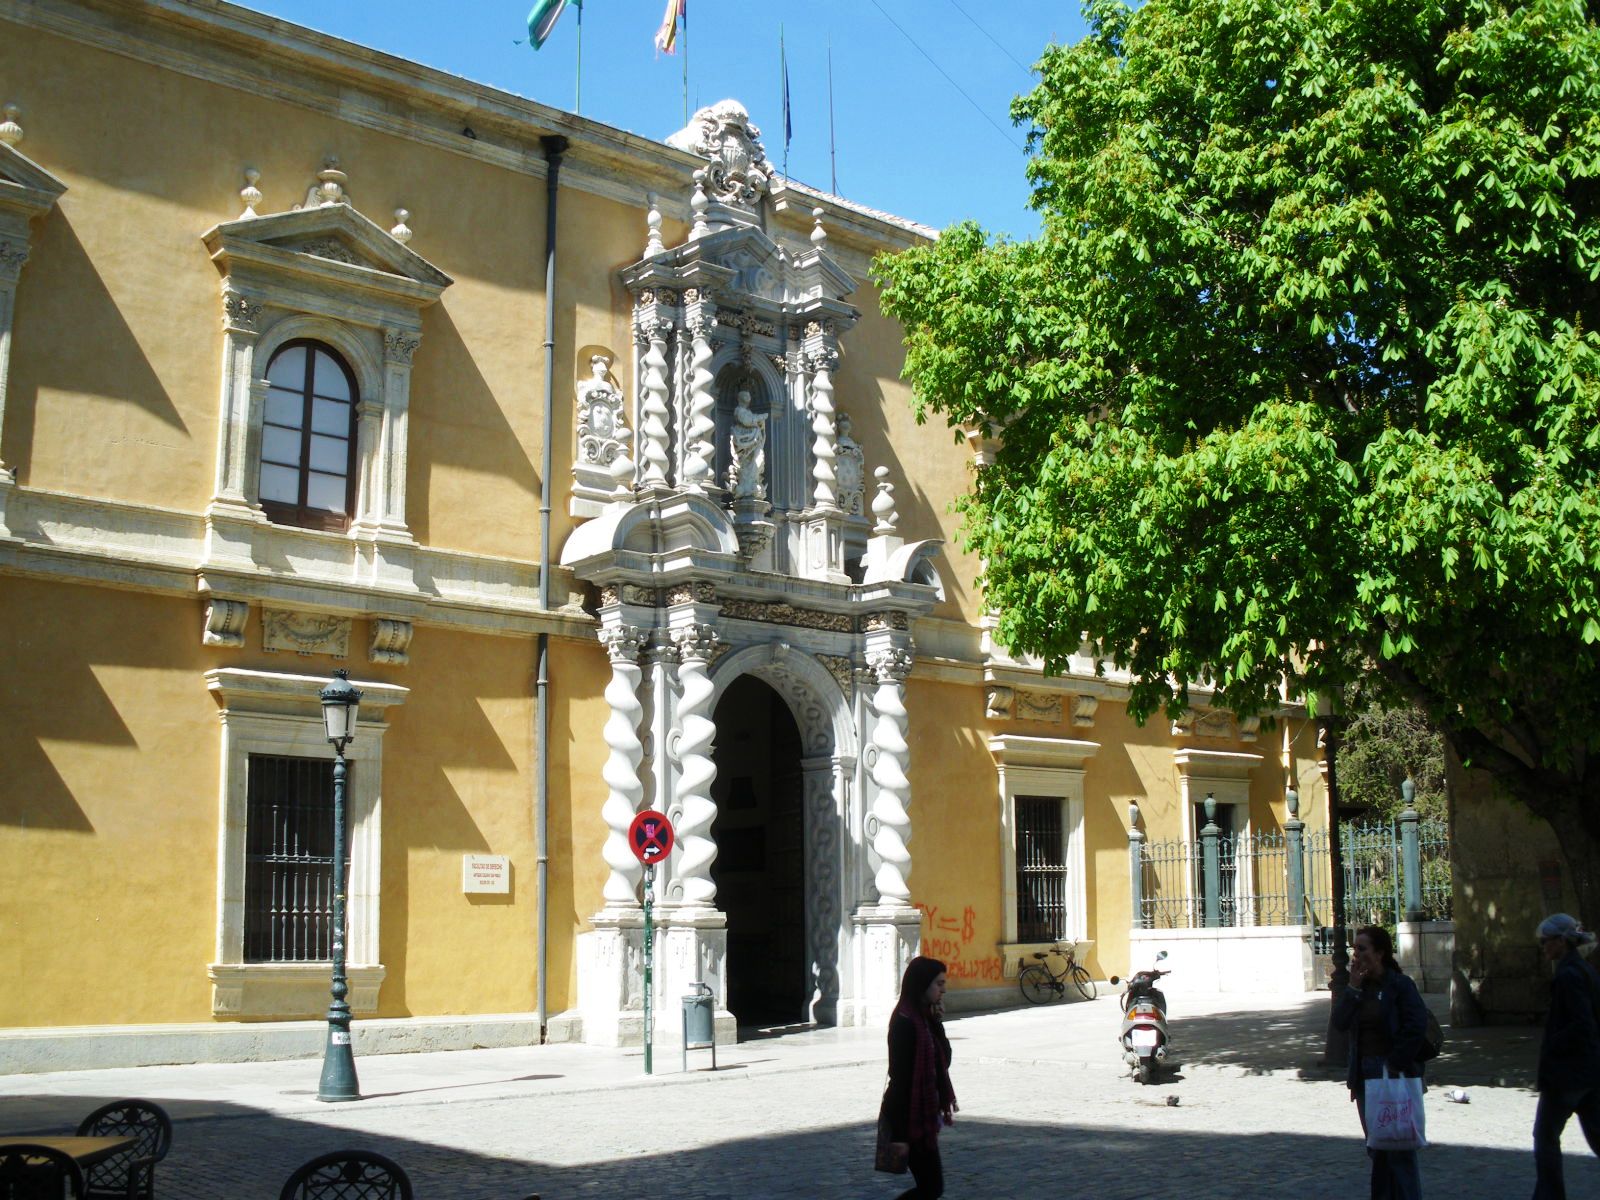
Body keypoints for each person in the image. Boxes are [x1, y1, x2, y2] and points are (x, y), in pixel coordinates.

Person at [1333, 925, 1429, 1199]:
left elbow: (1415, 1027)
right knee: (1377, 1148)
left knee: (1400, 1150)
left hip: (1394, 1075)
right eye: (1354, 948)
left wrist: (1394, 1065)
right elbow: (1339, 1023)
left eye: (1362, 948)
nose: (1356, 954)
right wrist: (1352, 987)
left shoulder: (1399, 985)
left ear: (1380, 952)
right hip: (1365, 1077)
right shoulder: (1359, 988)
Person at [1531, 912, 1600, 1199]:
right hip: (1588, 1072)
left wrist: (1553, 1047)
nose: (1543, 946)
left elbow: (1580, 1024)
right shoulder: (1583, 969)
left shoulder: (1569, 975)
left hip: (1568, 1075)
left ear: (1562, 941)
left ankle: (1550, 1195)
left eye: (1547, 941)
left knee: (1545, 1136)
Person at [885, 956, 957, 1198]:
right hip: (910, 1119)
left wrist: (938, 1023)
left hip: (924, 1119)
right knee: (931, 1187)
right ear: (922, 984)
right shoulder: (904, 1022)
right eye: (939, 984)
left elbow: (943, 1061)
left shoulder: (924, 1017)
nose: (943, 989)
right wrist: (900, 1135)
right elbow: (900, 1079)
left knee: (932, 1186)